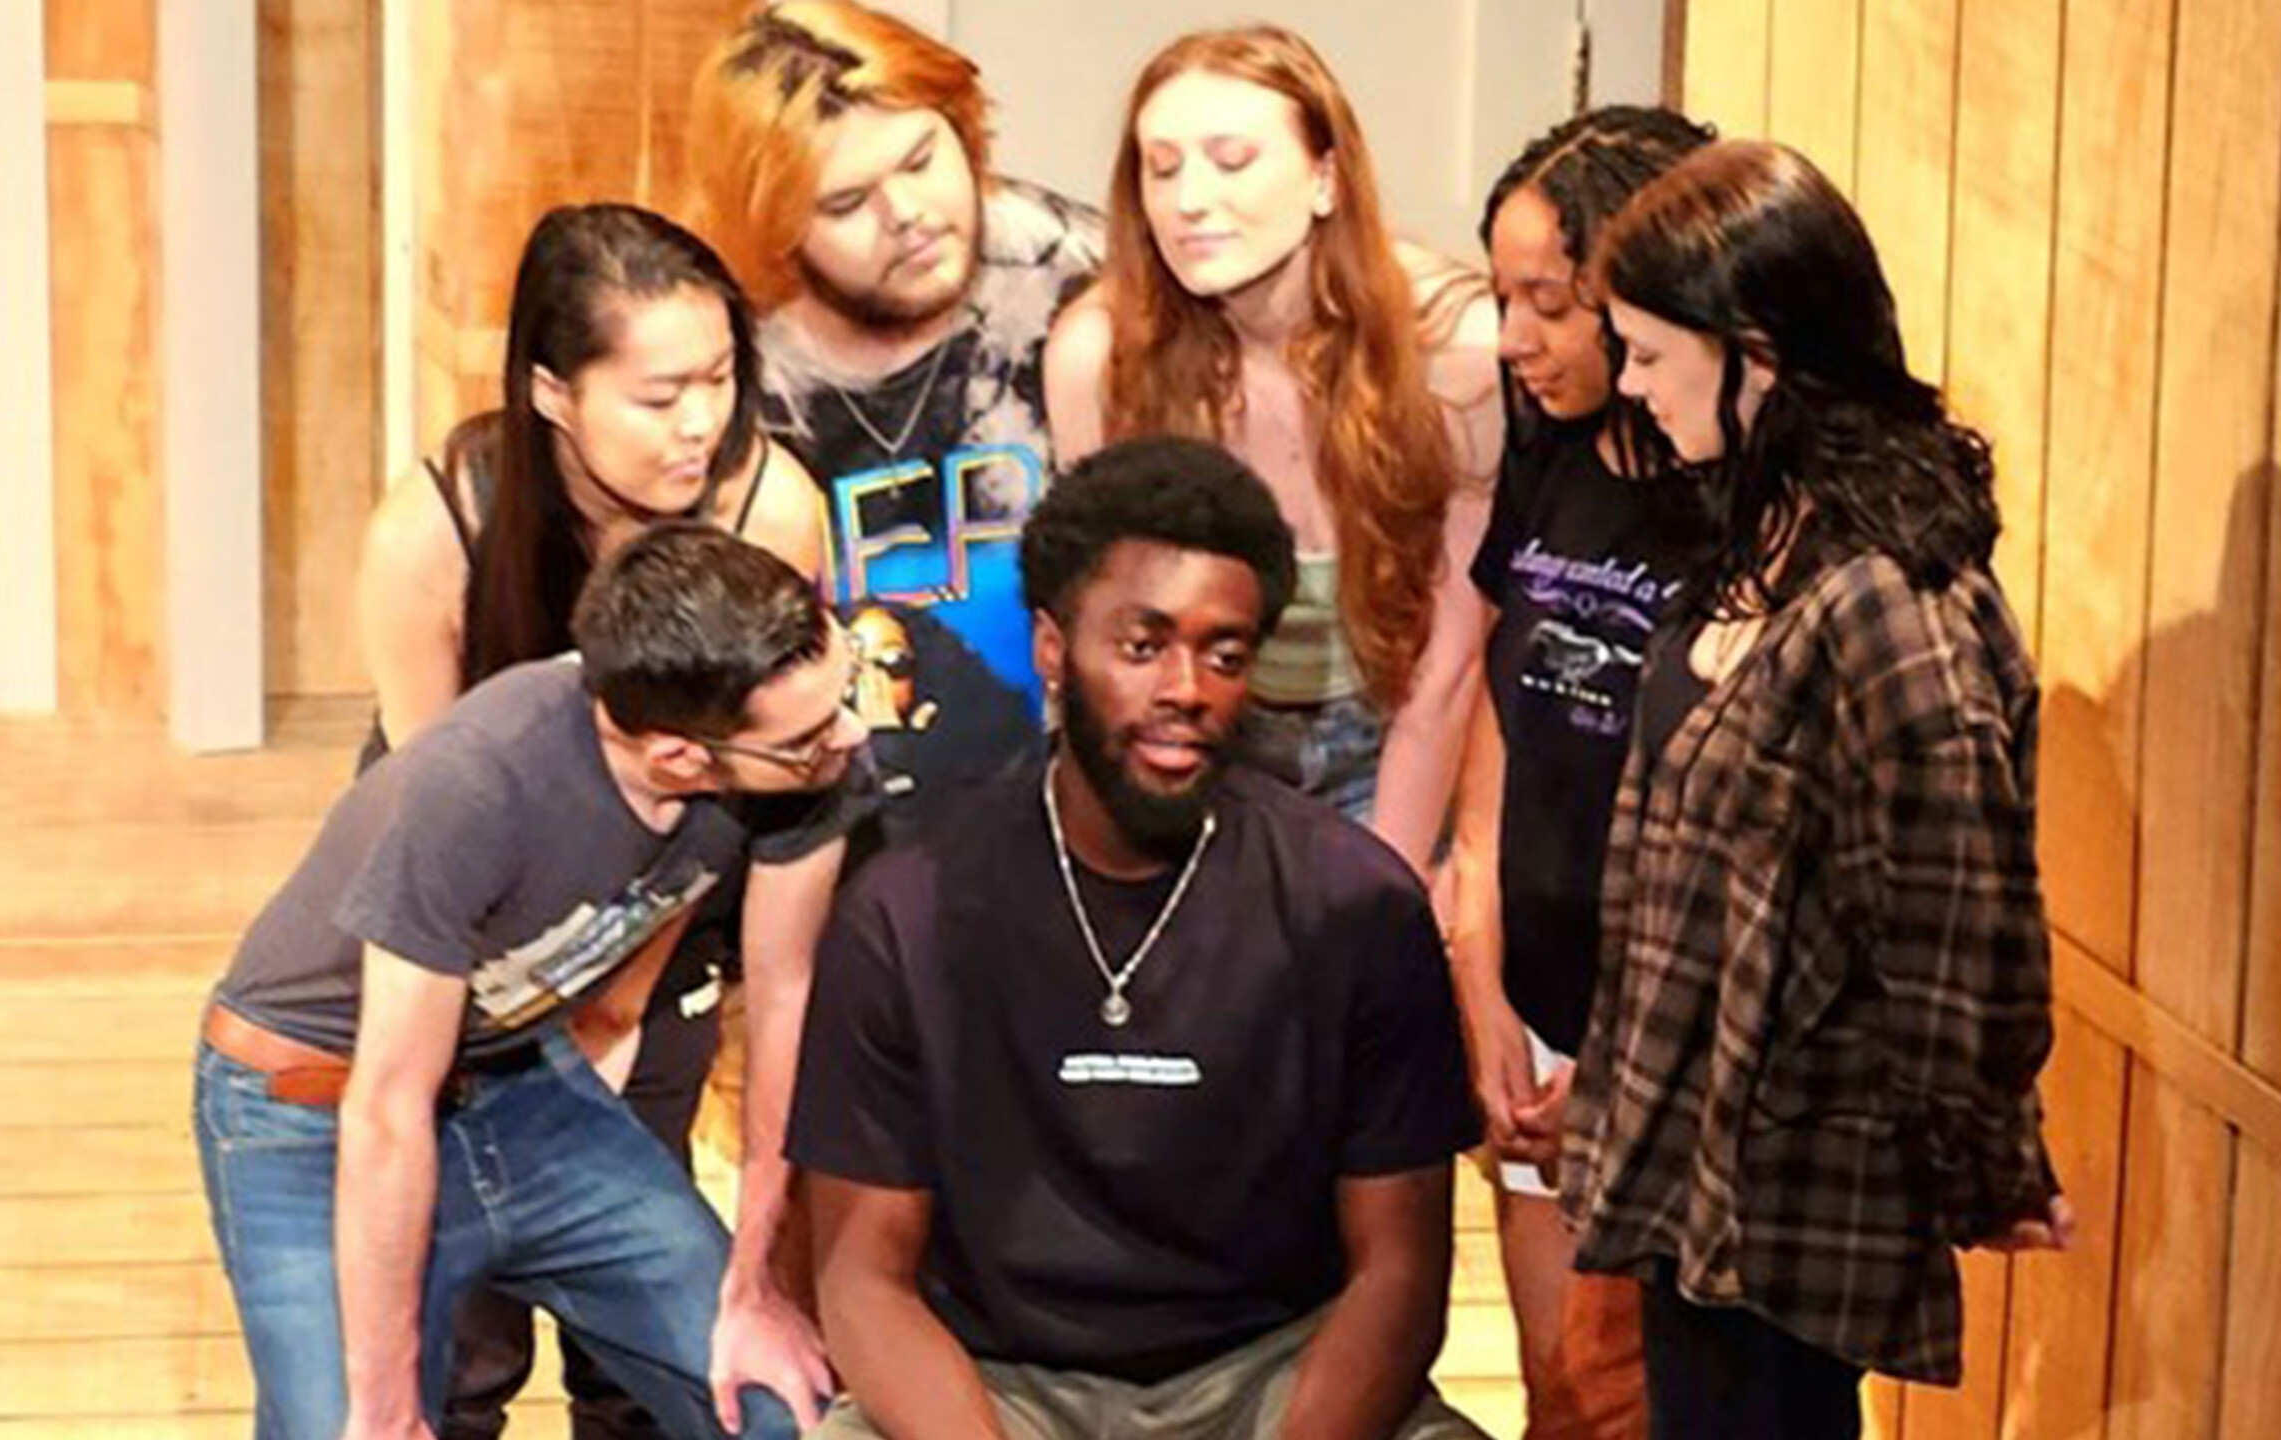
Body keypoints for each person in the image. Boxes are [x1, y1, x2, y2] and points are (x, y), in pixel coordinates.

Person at [789, 437, 1489, 1440]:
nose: (1186, 688)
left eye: (1225, 653)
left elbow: (1400, 1272)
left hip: (1273, 1372)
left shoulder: (1352, 904)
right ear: (1049, 648)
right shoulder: (907, 912)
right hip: (1001, 1385)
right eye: (1141, 645)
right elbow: (862, 1278)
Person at [1557, 140, 2072, 1440]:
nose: (1630, 386)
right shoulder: (1759, 525)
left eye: (1652, 355)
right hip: (1694, 1168)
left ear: (1759, 351)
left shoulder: (1890, 602)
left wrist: (1986, 1164)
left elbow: (1960, 918)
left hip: (1790, 1188)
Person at [197, 524, 870, 1440]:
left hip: (519, 1084)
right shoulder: (475, 784)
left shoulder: (809, 759)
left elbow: (784, 993)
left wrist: (756, 1286)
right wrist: (387, 1407)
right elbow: (389, 1105)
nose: (852, 735)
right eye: (809, 734)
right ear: (679, 756)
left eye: (845, 694)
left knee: (780, 1406)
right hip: (311, 1107)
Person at [353, 201, 836, 1440]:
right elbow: (434, 808)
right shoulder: (436, 531)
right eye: (660, 392)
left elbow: (766, 776)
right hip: (475, 908)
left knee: (635, 1209)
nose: (701, 422)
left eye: (721, 378)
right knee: (459, 1304)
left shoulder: (767, 507)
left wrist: (622, 996)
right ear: (556, 394)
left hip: (679, 877)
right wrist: (547, 1001)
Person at [1045, 24, 1500, 877]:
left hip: (1395, 732)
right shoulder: (1097, 355)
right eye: (1163, 166)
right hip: (1196, 742)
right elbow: (1106, 640)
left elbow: (1447, 667)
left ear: (1325, 177)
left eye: (1232, 159)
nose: (1188, 200)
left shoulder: (1458, 349)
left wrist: (1380, 891)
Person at [1447, 104, 1716, 1440]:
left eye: (1549, 303)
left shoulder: (1736, 504)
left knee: (1637, 1403)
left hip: (1671, 1050)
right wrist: (1479, 951)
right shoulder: (1550, 457)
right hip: (1535, 1006)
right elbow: (1504, 702)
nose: (1513, 339)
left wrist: (1620, 1063)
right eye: (1506, 300)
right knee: (1560, 1384)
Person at [689, 0, 1106, 817]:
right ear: (779, 228)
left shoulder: (1078, 280)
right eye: (846, 204)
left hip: (1068, 814)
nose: (907, 215)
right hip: (827, 829)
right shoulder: (725, 366)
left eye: (921, 158)